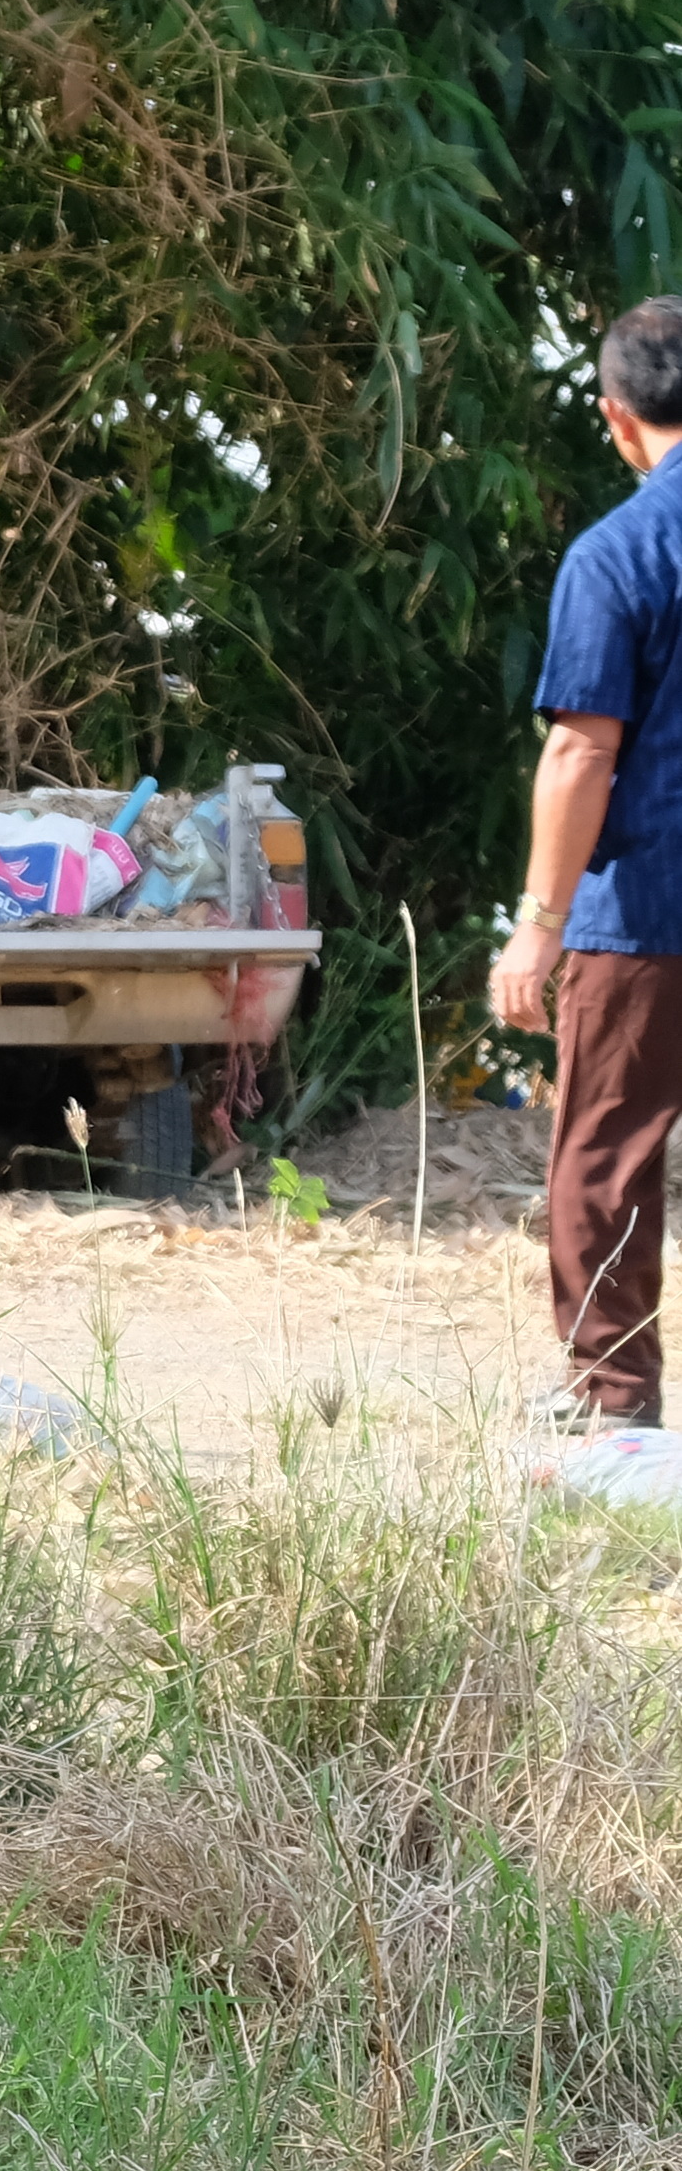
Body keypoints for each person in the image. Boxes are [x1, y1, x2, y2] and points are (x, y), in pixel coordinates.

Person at [493, 293, 682, 1429]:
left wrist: (536, 920)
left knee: (605, 1156)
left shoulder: (618, 554)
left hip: (649, 907)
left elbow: (579, 750)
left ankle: (613, 1404)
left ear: (616, 418)